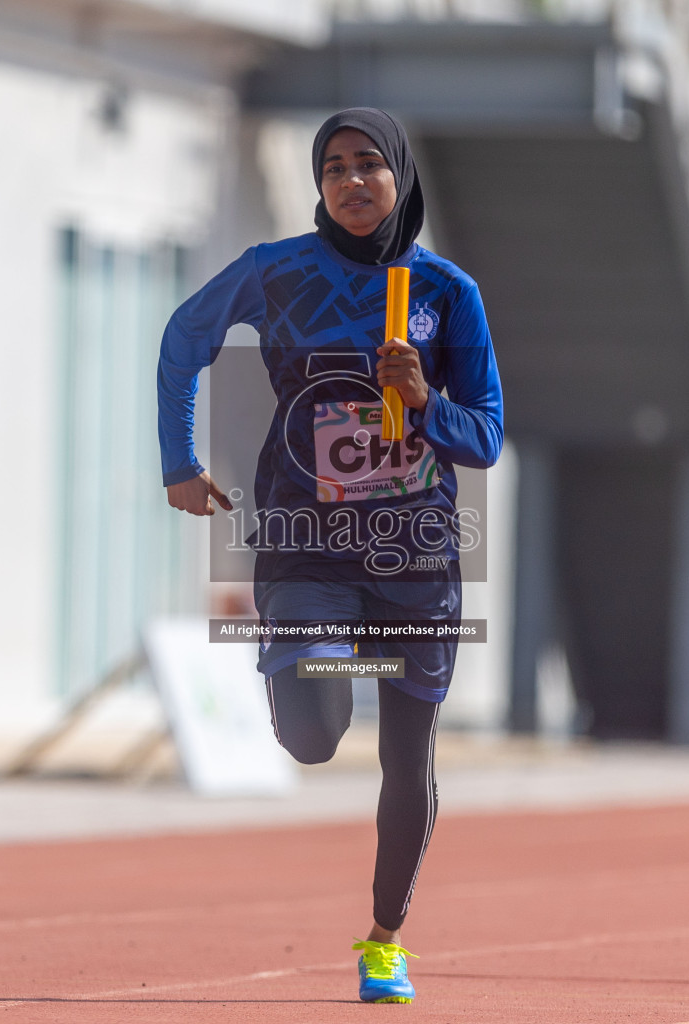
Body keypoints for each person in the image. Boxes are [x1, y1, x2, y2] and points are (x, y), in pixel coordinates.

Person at [157, 107, 503, 1004]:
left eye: (369, 166)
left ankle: (384, 938)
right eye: (334, 167)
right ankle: (310, 674)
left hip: (417, 554)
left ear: (399, 174)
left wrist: (424, 400)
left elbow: (489, 438)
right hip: (308, 539)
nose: (352, 182)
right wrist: (179, 462)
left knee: (409, 756)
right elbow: (181, 341)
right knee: (311, 736)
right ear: (319, 182)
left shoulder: (446, 294)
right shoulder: (277, 273)